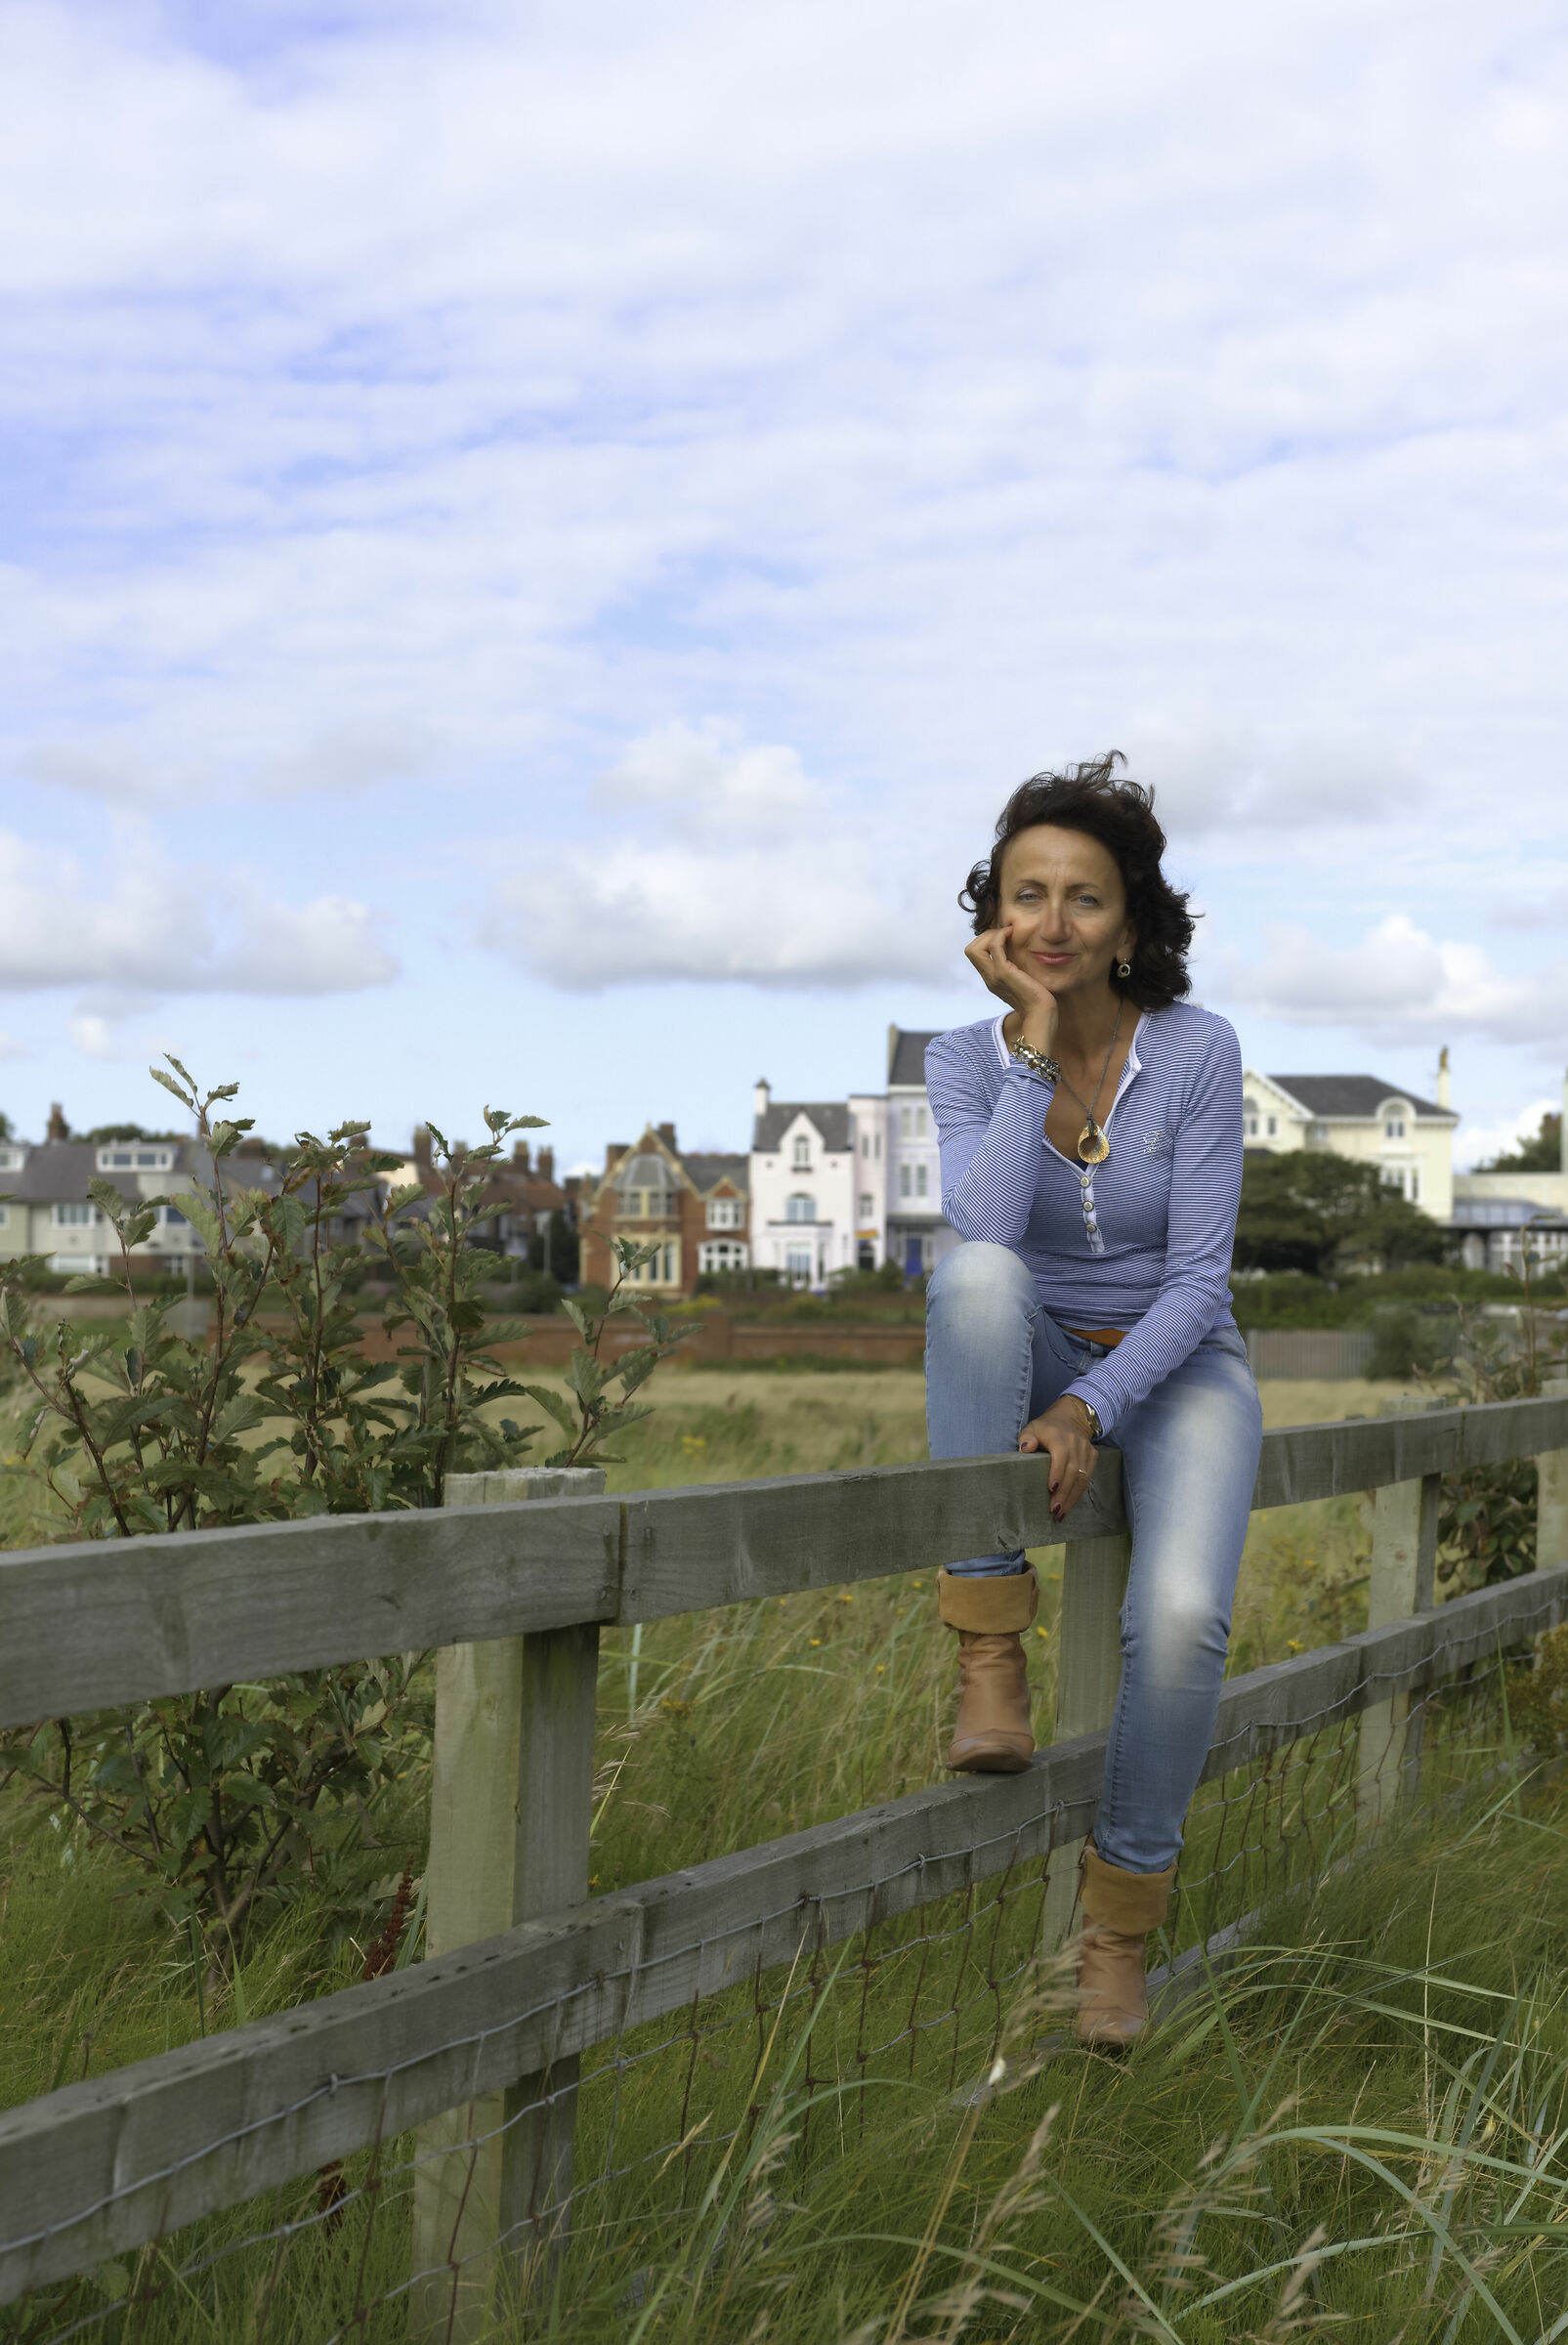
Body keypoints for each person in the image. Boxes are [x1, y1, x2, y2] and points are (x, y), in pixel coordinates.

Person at [923, 752, 1262, 2049]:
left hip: (1176, 1366)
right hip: (1032, 1338)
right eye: (1028, 896)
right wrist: (1030, 1048)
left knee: (1178, 1622)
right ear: (993, 916)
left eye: (1084, 899)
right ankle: (984, 1647)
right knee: (974, 1280)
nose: (1053, 925)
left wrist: (1091, 1410)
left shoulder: (1195, 1050)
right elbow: (986, 1224)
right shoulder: (964, 1062)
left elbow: (1194, 1280)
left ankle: (1114, 1929)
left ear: (1132, 920)